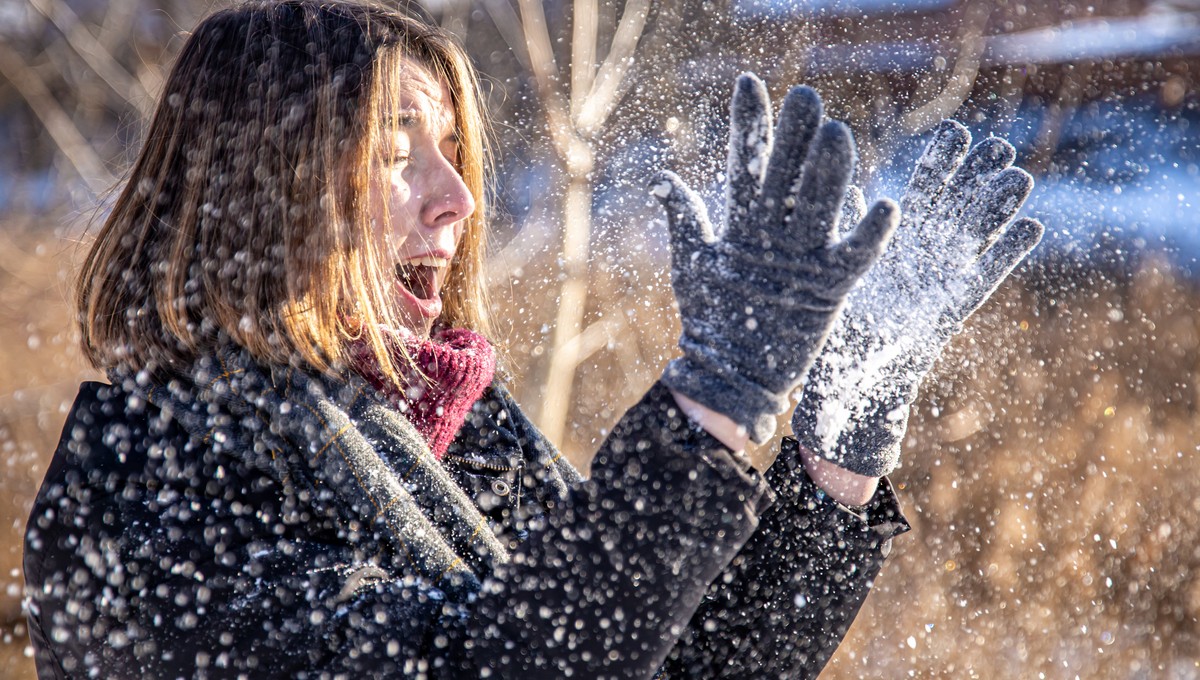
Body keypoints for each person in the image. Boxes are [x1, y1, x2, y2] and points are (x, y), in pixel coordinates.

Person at [22, 1, 1042, 678]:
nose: (458, 197)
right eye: (392, 151)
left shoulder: (451, 429)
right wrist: (710, 406)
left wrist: (832, 465)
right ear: (261, 188)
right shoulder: (157, 478)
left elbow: (679, 662)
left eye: (455, 151)